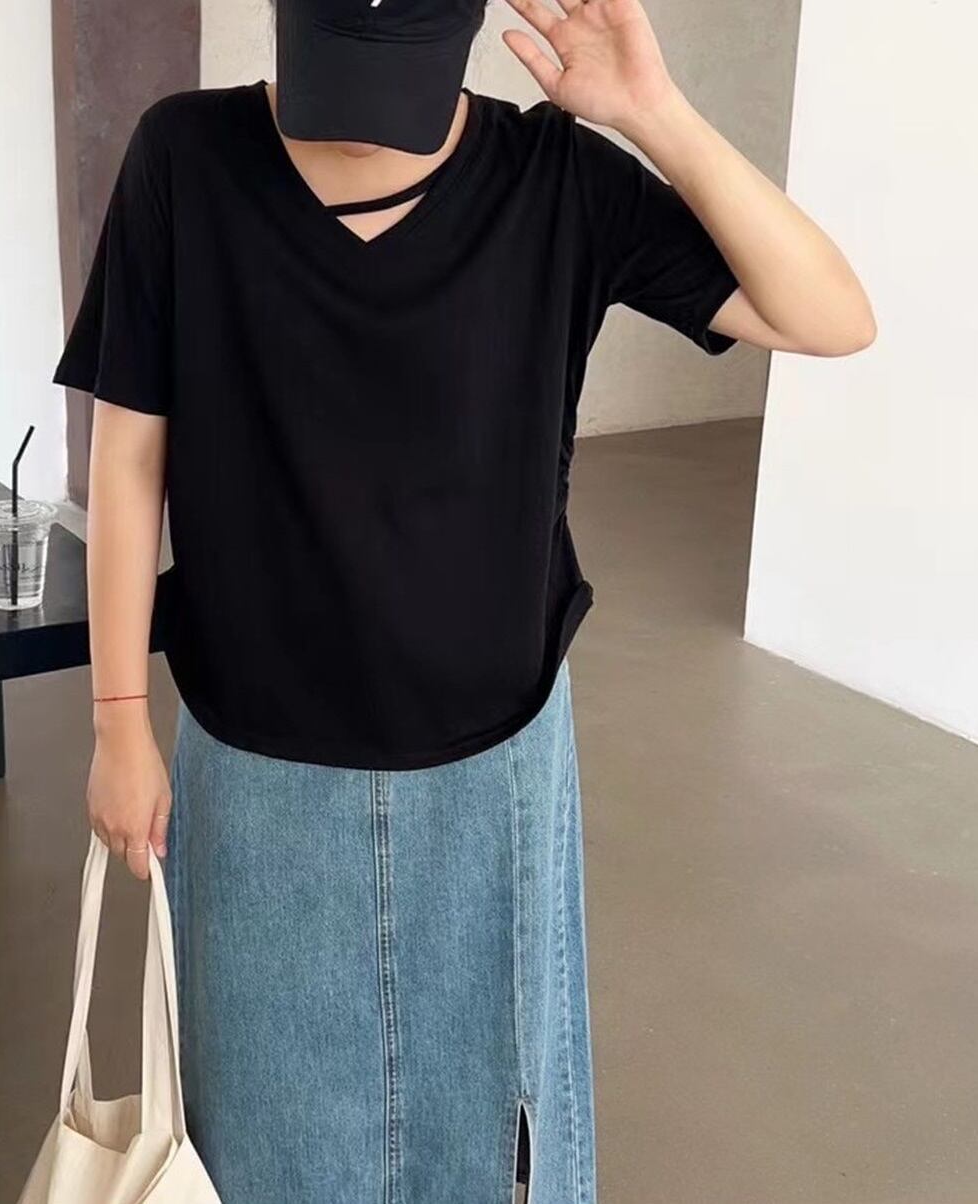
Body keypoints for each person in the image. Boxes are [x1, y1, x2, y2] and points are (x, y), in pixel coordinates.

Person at [52, 0, 875, 1200]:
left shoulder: (557, 180)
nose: (361, 125)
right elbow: (130, 452)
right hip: (258, 779)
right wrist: (119, 718)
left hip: (492, 779)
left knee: (490, 1154)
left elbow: (830, 316)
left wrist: (653, 112)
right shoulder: (185, 158)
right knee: (265, 1152)